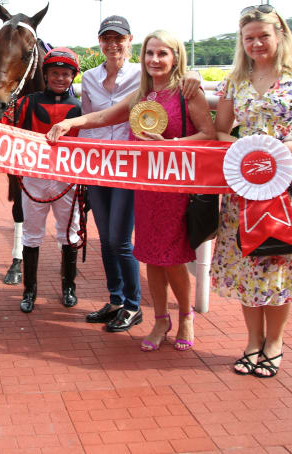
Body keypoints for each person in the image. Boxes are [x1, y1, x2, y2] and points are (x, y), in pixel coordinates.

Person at [48, 30, 214, 351]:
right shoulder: (141, 95)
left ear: (175, 57)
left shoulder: (187, 92)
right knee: (150, 256)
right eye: (150, 53)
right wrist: (70, 124)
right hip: (145, 189)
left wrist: (173, 146)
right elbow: (104, 116)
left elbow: (208, 134)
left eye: (162, 54)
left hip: (175, 188)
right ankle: (160, 320)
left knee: (174, 258)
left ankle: (186, 316)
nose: (154, 60)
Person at [211, 5, 292, 377]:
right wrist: (241, 147)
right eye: (249, 37)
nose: (256, 43)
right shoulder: (235, 79)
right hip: (245, 185)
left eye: (263, 36)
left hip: (288, 181)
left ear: (280, 35)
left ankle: (275, 342)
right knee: (249, 263)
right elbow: (221, 130)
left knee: (279, 260)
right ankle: (252, 341)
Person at [4, 48, 84, 312]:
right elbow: (2, 124)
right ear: (46, 75)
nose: (60, 78)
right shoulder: (26, 102)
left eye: (65, 74)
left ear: (73, 76)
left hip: (66, 181)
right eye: (55, 73)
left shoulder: (79, 108)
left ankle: (69, 287)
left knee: (69, 234)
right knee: (32, 234)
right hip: (34, 179)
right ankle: (29, 291)